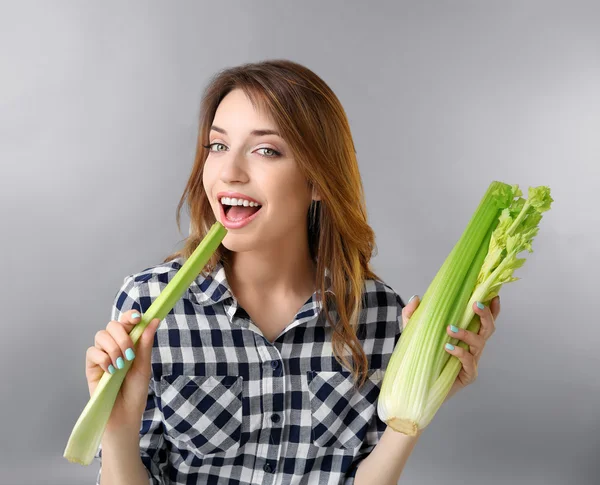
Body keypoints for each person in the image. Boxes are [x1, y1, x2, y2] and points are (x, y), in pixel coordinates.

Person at [87, 59, 500, 485]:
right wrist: (115, 424)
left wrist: (416, 407)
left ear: (318, 180)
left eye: (266, 150)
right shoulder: (149, 304)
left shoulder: (381, 318)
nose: (229, 172)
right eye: (218, 146)